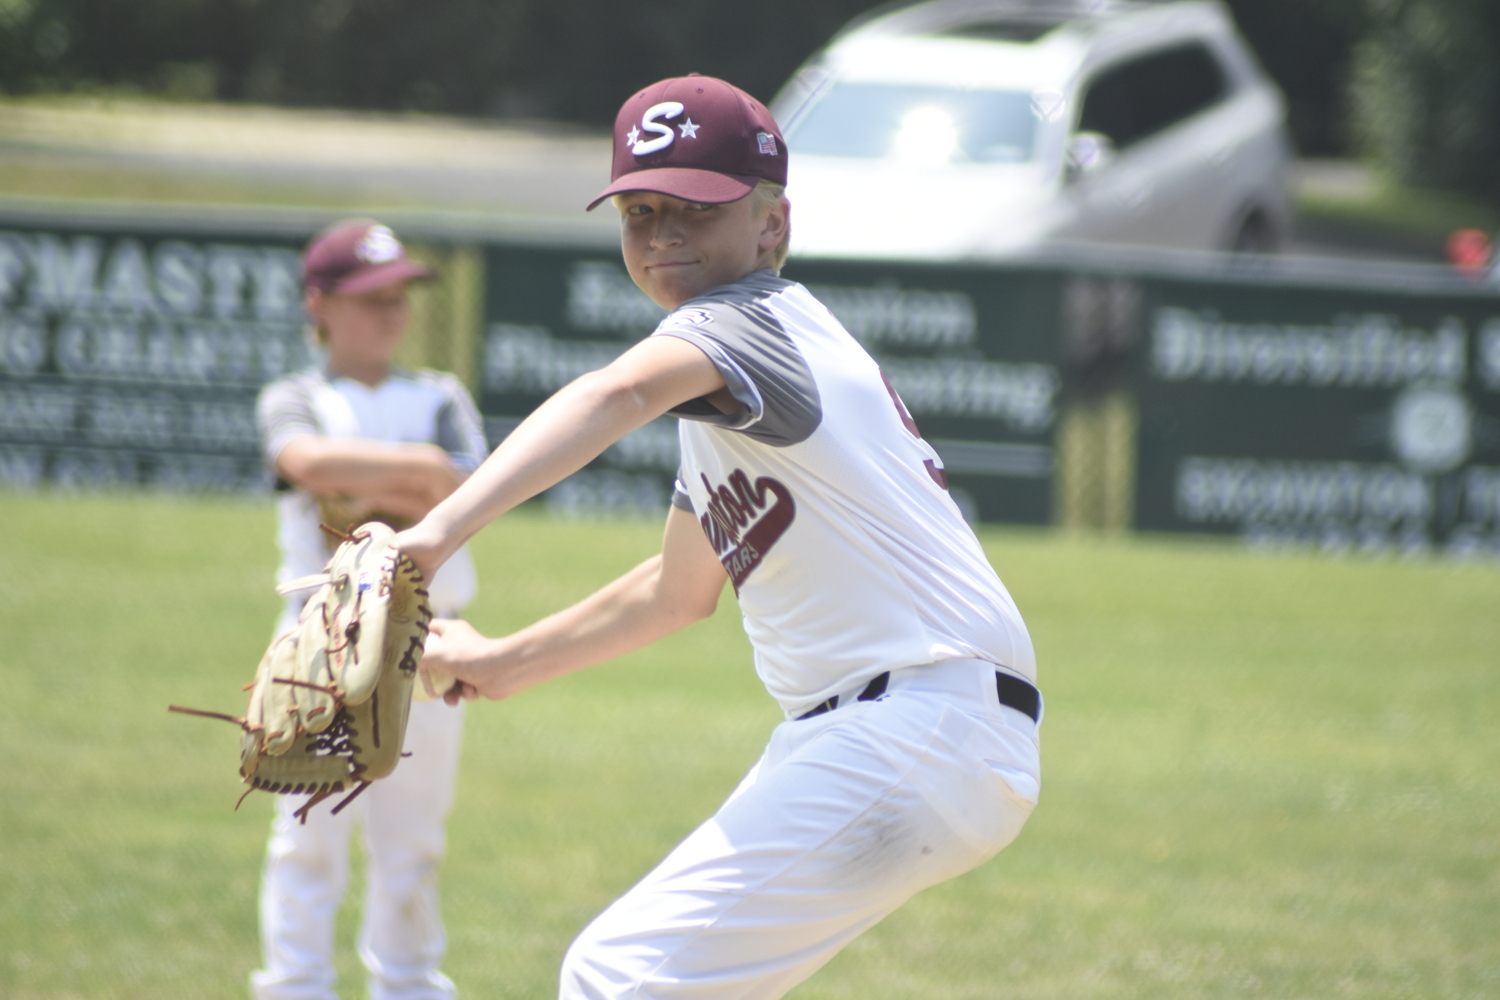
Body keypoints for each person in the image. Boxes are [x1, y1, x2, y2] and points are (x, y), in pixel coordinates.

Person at [400, 75, 1042, 999]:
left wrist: (433, 534)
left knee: (619, 976)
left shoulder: (751, 325)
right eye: (640, 212)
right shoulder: (740, 396)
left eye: (695, 211)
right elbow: (675, 591)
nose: (662, 237)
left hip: (915, 724)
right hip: (909, 732)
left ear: (771, 226)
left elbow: (614, 394)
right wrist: (501, 662)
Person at [252, 219, 487, 1000]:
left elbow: (468, 489)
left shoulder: (439, 396)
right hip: (320, 643)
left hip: (429, 638)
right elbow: (304, 462)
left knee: (413, 840)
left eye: (399, 295)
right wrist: (416, 475)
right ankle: (296, 987)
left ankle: (410, 985)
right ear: (319, 303)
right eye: (368, 296)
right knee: (308, 833)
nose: (391, 310)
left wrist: (366, 496)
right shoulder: (298, 395)